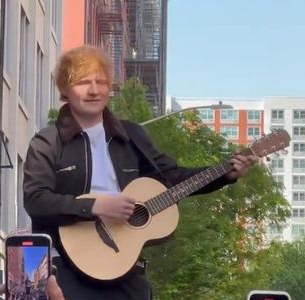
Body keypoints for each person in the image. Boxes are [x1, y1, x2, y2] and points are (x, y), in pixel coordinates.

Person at [23, 45, 257, 300]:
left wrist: (226, 173)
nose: (93, 90)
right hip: (65, 267)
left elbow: (173, 178)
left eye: (100, 82)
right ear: (64, 92)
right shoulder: (47, 141)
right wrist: (95, 205)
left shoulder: (131, 135)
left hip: (125, 271)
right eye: (82, 82)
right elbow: (36, 200)